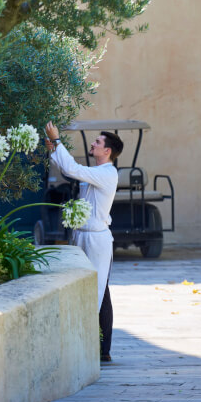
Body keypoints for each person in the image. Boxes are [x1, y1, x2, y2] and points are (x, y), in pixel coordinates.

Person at [45, 121, 123, 362]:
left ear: (107, 150)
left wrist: (57, 141)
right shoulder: (95, 172)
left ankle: (100, 348)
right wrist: (53, 150)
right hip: (82, 235)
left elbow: (72, 169)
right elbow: (69, 169)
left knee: (99, 290)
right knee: (91, 287)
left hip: (98, 239)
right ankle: (101, 347)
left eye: (98, 142)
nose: (93, 143)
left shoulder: (107, 173)